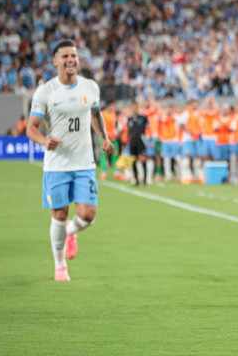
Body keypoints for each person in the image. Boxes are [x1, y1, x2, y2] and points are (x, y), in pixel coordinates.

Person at [26, 39, 113, 282]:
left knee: (88, 215)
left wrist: (104, 138)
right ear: (55, 62)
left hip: (84, 163)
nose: (71, 60)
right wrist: (44, 141)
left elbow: (95, 115)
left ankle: (71, 233)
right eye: (65, 56)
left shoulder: (90, 87)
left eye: (73, 56)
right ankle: (59, 265)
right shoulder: (45, 92)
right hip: (57, 165)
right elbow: (31, 128)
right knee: (60, 214)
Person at [127, 101, 149, 186]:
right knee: (133, 160)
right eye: (132, 107)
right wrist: (126, 142)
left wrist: (149, 139)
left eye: (135, 107)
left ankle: (145, 180)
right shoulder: (130, 119)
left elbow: (149, 128)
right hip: (132, 140)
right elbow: (129, 131)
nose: (134, 109)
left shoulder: (143, 117)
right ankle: (136, 180)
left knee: (143, 159)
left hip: (141, 139)